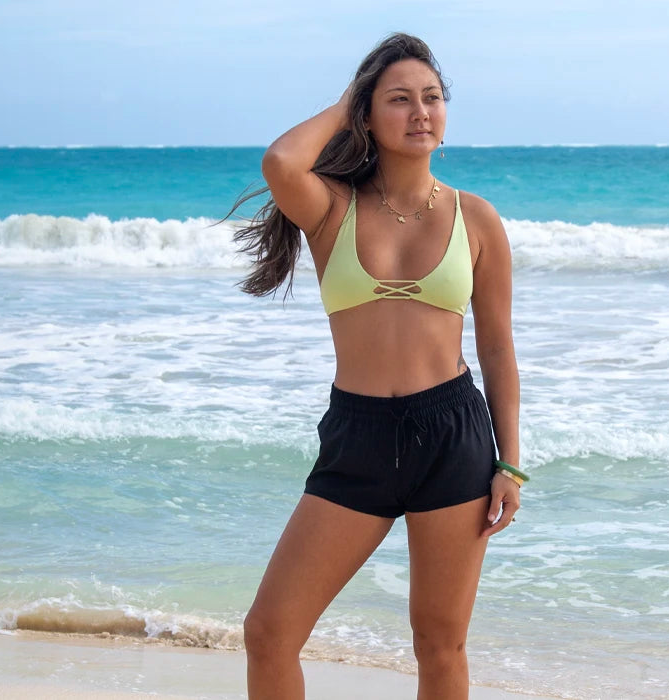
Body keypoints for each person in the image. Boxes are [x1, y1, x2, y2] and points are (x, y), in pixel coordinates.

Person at [226, 33, 526, 699]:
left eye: (432, 98)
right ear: (365, 115)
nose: (421, 112)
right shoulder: (332, 208)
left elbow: (498, 348)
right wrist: (348, 98)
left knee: (439, 646)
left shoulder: (476, 220)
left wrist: (509, 463)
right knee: (269, 632)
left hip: (452, 435)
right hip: (357, 439)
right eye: (399, 100)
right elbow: (281, 162)